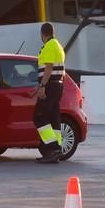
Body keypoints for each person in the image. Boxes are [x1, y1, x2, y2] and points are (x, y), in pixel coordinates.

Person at [33, 22, 66, 164]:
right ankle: (52, 153)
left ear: (42, 34)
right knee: (53, 118)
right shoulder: (58, 46)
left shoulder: (49, 46)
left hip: (50, 86)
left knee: (39, 117)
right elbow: (60, 71)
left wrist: (42, 86)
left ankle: (54, 148)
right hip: (56, 86)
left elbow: (48, 68)